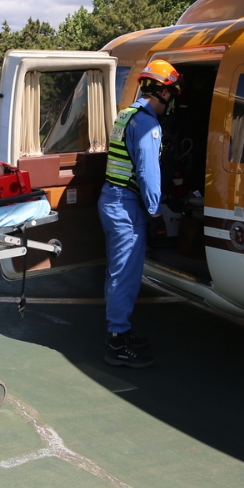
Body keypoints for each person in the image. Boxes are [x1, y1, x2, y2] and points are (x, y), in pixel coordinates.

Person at [98, 60, 180, 369]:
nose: (169, 101)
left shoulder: (126, 114)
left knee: (117, 273)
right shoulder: (147, 123)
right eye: (170, 94)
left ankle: (121, 330)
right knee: (126, 276)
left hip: (112, 200)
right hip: (126, 207)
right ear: (161, 92)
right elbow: (148, 173)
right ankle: (117, 341)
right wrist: (155, 211)